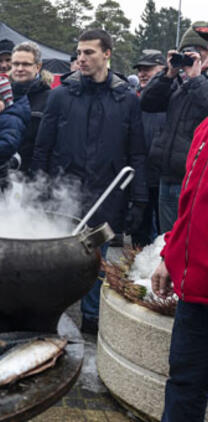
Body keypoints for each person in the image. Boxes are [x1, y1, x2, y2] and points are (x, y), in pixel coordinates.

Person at [32, 29, 148, 334]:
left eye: (89, 53)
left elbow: (136, 152)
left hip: (108, 192)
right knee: (58, 258)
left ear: (107, 54)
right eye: (79, 52)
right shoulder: (60, 96)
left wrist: (139, 199)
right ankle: (46, 318)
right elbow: (42, 148)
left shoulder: (127, 100)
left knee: (98, 258)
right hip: (64, 190)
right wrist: (39, 190)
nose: (81, 58)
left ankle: (92, 320)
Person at [151, 117, 208, 422]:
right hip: (194, 296)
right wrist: (169, 256)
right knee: (184, 385)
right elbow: (191, 203)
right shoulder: (205, 128)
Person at [140, 23, 208, 233]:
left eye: (198, 51)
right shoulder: (180, 83)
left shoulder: (196, 83)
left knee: (189, 240)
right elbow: (147, 103)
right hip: (167, 175)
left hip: (195, 182)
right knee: (166, 241)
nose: (191, 55)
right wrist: (168, 73)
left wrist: (197, 78)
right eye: (186, 50)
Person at [132, 51, 167, 247]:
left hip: (164, 174)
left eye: (148, 69)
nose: (143, 74)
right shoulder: (133, 97)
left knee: (164, 232)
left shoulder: (175, 94)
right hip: (140, 173)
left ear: (163, 70)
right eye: (140, 70)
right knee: (139, 228)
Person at [8, 42, 53, 174]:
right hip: (2, 176)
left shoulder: (51, 98)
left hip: (35, 179)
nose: (19, 68)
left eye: (26, 64)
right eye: (16, 64)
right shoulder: (1, 96)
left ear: (38, 67)